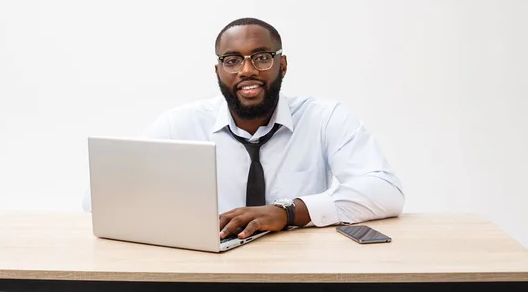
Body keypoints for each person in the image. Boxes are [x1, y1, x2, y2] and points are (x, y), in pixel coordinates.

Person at [84, 18, 405, 240]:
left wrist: (290, 212)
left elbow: (386, 192)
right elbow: (98, 201)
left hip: (301, 271)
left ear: (283, 65)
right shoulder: (179, 124)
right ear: (218, 70)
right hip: (206, 270)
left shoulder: (325, 118)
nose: (247, 70)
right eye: (233, 60)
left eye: (261, 57)